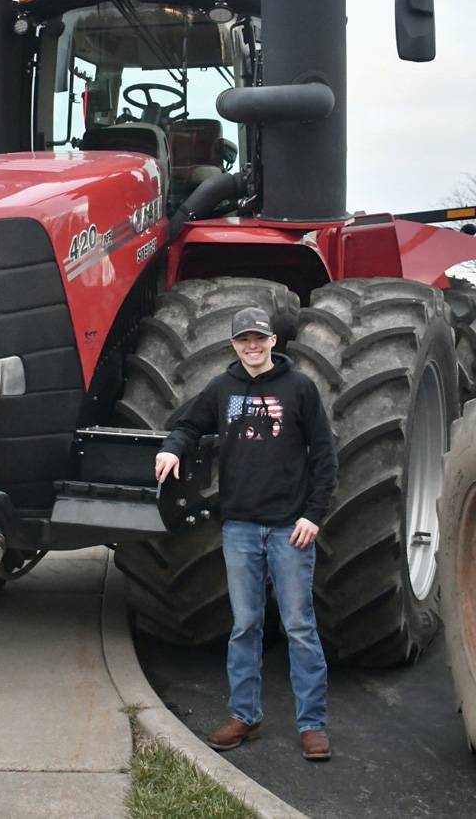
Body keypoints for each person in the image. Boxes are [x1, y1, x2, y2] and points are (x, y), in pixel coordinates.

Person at [154, 306, 337, 761]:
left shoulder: (299, 388)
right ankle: (245, 716)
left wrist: (313, 514)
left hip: (289, 528)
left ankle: (312, 725)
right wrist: (173, 449)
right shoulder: (222, 388)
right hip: (239, 527)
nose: (251, 347)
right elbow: (188, 424)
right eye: (242, 341)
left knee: (298, 626)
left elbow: (324, 456)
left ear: (273, 340)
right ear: (234, 345)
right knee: (245, 626)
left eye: (259, 339)